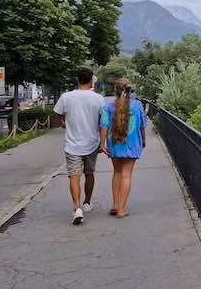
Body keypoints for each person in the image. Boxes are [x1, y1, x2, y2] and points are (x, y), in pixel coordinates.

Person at [53, 68, 106, 225]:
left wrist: (63, 124)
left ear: (77, 79)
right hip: (92, 143)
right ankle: (87, 203)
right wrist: (102, 143)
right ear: (91, 80)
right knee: (89, 173)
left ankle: (77, 208)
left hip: (72, 144)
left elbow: (58, 117)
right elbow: (103, 123)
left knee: (74, 176)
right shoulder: (98, 99)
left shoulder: (66, 97)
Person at [99, 78, 146, 218]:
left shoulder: (109, 107)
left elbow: (104, 126)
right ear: (130, 90)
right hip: (132, 144)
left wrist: (102, 145)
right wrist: (143, 140)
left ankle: (115, 204)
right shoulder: (137, 106)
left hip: (115, 144)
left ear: (116, 90)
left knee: (117, 173)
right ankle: (121, 209)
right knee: (127, 175)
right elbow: (142, 126)